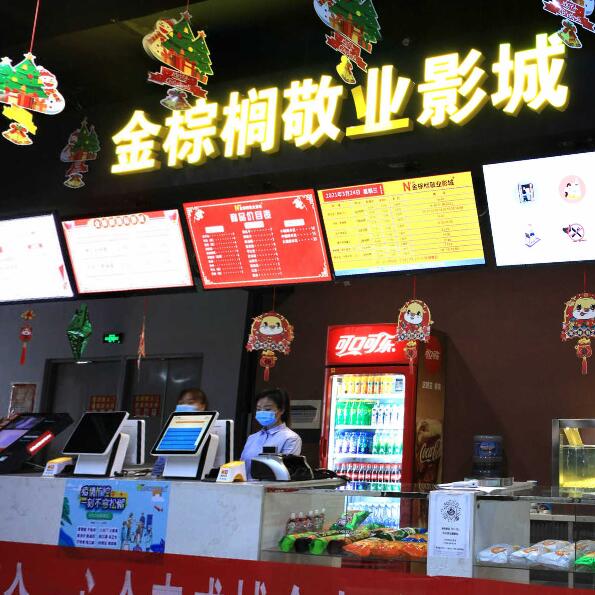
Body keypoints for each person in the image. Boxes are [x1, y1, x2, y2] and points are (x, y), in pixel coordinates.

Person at [240, 388, 302, 479]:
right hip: (245, 486)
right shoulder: (252, 438)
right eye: (258, 409)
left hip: (271, 487)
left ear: (281, 410)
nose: (262, 412)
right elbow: (242, 467)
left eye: (267, 409)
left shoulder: (291, 438)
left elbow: (287, 472)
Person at [151, 388, 209, 477]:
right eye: (181, 403)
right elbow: (160, 463)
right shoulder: (173, 430)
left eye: (190, 403)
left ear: (202, 406)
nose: (185, 406)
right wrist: (155, 478)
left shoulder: (210, 430)